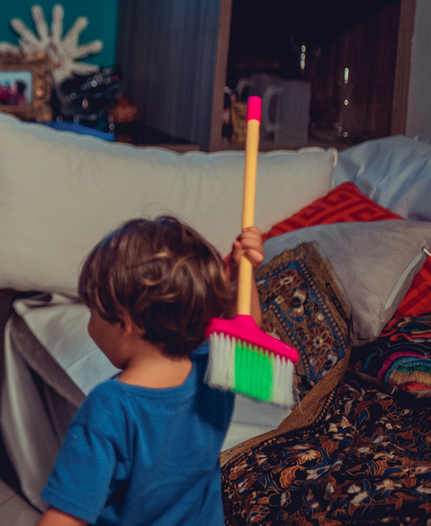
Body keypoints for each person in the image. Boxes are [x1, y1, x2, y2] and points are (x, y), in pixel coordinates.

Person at [34, 216, 265, 526]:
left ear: (123, 323)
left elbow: (65, 518)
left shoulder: (110, 407)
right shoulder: (214, 369)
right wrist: (243, 274)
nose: (90, 322)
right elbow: (247, 331)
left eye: (92, 311)